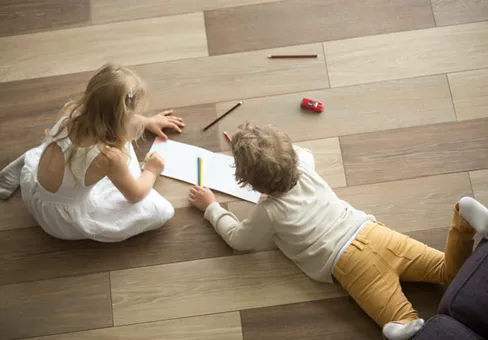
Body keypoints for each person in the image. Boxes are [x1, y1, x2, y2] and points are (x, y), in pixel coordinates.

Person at [188, 123, 488, 340]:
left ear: (247, 183)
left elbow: (239, 240)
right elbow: (301, 152)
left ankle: (408, 325)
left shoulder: (269, 211)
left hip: (347, 263)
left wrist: (212, 208)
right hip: (374, 234)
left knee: (391, 312)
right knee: (448, 272)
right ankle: (463, 220)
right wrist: (268, 145)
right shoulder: (304, 164)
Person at [0, 63, 184, 242]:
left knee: (53, 152)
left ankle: (20, 167)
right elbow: (135, 195)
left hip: (36, 189)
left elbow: (111, 114)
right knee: (161, 210)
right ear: (123, 117)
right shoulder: (109, 157)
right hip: (59, 220)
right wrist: (151, 171)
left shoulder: (71, 113)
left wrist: (147, 121)